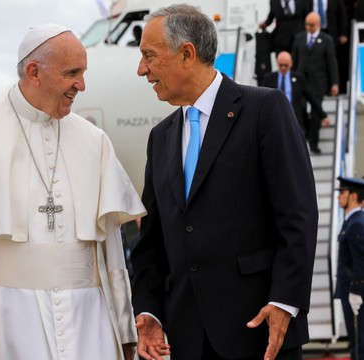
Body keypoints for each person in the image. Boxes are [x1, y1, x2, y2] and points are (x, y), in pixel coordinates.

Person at [0, 24, 146, 360]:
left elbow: (109, 246)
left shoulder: (94, 140)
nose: (82, 85)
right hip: (7, 314)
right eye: (72, 73)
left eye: (83, 72)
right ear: (34, 72)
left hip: (89, 317)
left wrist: (123, 328)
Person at [131, 5, 318, 360]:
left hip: (259, 333)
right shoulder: (160, 137)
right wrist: (150, 310)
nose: (142, 70)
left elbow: (298, 215)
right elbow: (152, 242)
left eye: (149, 56)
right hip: (187, 340)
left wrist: (285, 302)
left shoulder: (265, 109)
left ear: (187, 53)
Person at [292, 12, 339, 154]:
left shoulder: (326, 40)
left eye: (311, 25)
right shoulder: (299, 38)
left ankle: (313, 143)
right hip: (300, 81)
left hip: (318, 82)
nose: (308, 27)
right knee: (299, 109)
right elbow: (294, 59)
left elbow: (332, 62)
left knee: (316, 112)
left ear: (318, 24)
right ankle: (302, 137)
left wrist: (334, 83)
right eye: (306, 24)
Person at [261, 51, 330, 135]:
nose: (283, 68)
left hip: (294, 119)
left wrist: (323, 115)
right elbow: (262, 99)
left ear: (291, 63)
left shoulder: (299, 78)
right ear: (277, 63)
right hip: (274, 119)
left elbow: (311, 98)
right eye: (280, 65)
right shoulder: (269, 78)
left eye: (285, 65)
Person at [334, 176, 364, 360]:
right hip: (351, 291)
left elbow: (361, 262)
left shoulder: (356, 224)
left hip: (356, 294)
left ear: (353, 196)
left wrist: (356, 291)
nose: (339, 197)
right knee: (355, 342)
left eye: (342, 193)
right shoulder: (351, 222)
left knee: (359, 343)